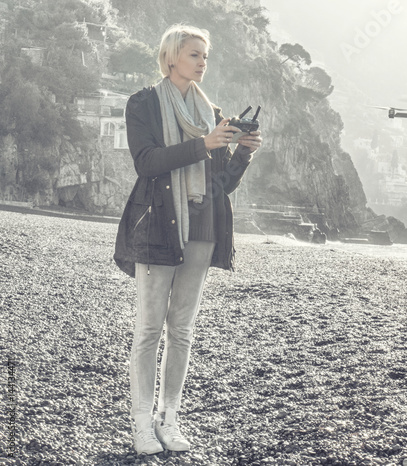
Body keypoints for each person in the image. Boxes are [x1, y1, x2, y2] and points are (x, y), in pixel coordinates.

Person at [112, 24, 263, 455]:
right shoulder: (142, 103)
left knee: (181, 331)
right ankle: (142, 423)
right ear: (172, 56)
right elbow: (146, 163)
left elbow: (221, 186)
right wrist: (205, 144)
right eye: (195, 54)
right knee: (147, 330)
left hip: (202, 230)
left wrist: (244, 152)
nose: (203, 62)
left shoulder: (210, 114)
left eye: (206, 56)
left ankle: (169, 418)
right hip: (159, 227)